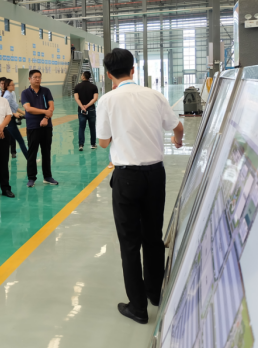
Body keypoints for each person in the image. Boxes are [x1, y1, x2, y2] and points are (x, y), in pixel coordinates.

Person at [96, 48, 183, 325]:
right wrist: (178, 141)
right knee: (153, 236)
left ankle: (137, 307)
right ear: (133, 70)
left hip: (127, 177)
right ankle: (155, 293)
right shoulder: (154, 95)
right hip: (155, 174)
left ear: (109, 74)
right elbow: (177, 127)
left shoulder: (108, 100)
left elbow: (103, 142)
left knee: (130, 242)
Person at [21, 70, 58, 187]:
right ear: (29, 79)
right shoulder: (25, 93)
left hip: (46, 126)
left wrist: (46, 117)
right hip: (33, 127)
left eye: (39, 77)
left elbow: (51, 107)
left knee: (46, 152)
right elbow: (28, 109)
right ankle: (31, 178)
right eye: (35, 77)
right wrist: (45, 111)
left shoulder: (46, 91)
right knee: (32, 153)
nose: (38, 79)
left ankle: (47, 177)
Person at [2, 79, 28, 159]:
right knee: (20, 141)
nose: (14, 86)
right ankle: (30, 160)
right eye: (12, 85)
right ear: (7, 86)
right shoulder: (7, 95)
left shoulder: (9, 94)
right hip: (10, 121)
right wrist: (14, 114)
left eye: (14, 84)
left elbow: (14, 107)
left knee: (6, 143)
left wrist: (23, 113)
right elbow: (4, 109)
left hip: (11, 120)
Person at [74, 71, 99, 151]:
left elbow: (76, 98)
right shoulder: (94, 87)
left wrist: (82, 107)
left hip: (81, 111)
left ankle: (81, 145)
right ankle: (93, 144)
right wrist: (87, 106)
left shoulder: (77, 86)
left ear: (83, 77)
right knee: (92, 127)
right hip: (91, 109)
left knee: (81, 127)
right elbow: (95, 98)